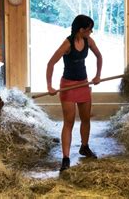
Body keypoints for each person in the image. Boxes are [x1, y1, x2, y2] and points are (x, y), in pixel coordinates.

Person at [46, 14, 103, 171]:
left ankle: (84, 147)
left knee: (86, 119)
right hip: (68, 85)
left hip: (83, 84)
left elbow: (99, 56)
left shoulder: (88, 41)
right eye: (89, 29)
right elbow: (50, 63)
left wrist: (98, 75)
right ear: (81, 30)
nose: (91, 32)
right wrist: (49, 86)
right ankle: (66, 158)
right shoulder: (67, 44)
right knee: (69, 122)